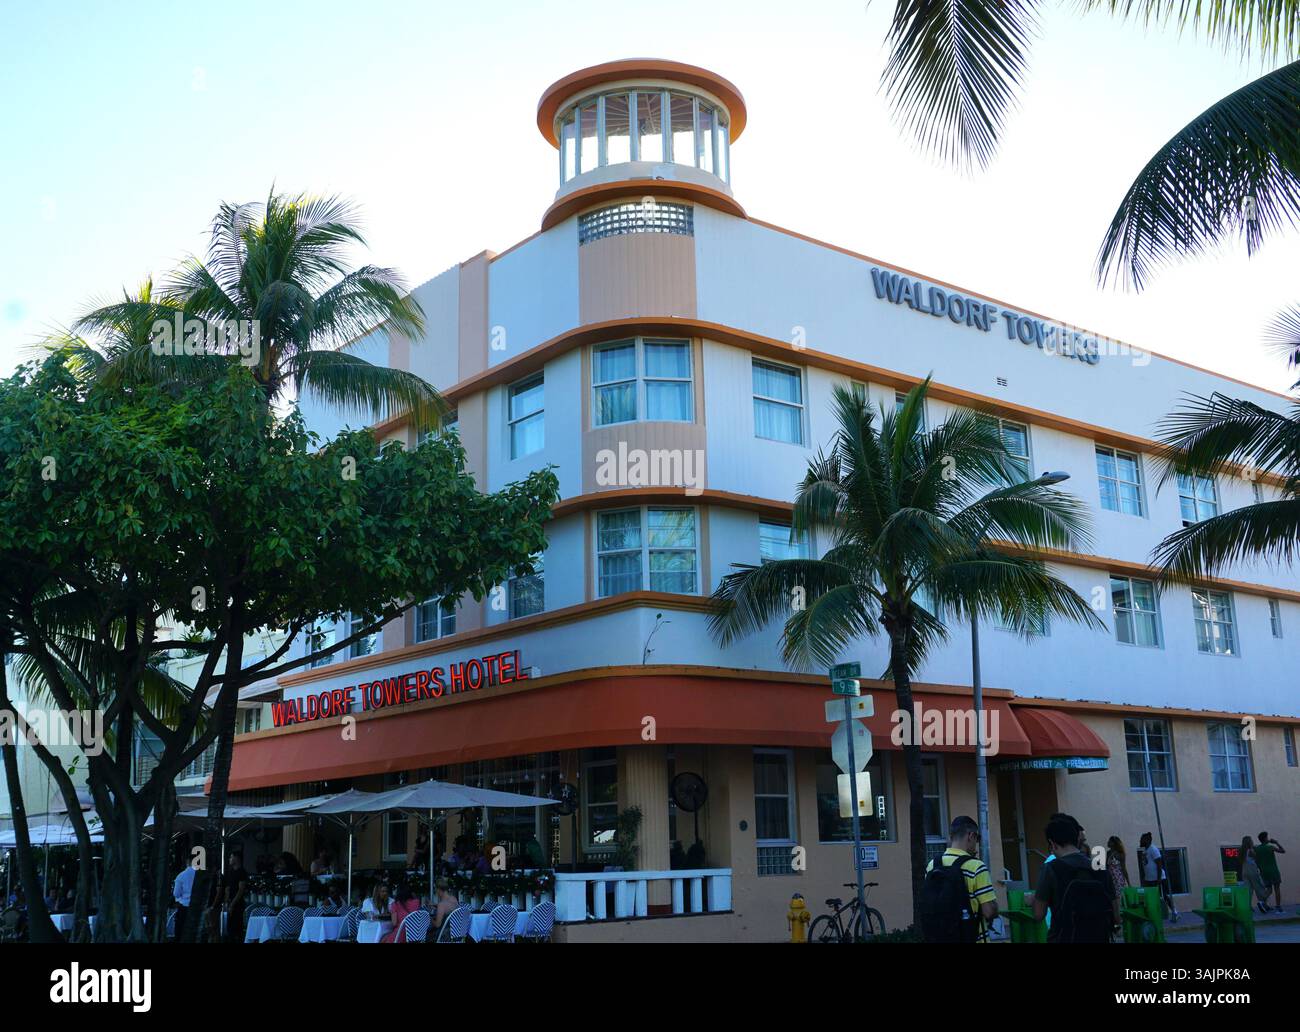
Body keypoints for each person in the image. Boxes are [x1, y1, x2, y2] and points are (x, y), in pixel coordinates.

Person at [1032, 814, 1117, 942]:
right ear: (1076, 839)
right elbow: (1116, 916)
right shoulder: (1100, 869)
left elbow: (1039, 915)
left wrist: (1032, 901)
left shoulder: (1051, 869)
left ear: (1052, 843)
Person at [919, 816, 998, 943]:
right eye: (977, 839)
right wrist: (995, 906)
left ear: (951, 836)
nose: (976, 844)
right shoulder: (976, 867)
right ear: (970, 836)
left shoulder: (933, 865)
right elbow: (989, 911)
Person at [1138, 832, 1178, 921]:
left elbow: (1159, 864)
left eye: (1142, 839)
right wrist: (1144, 878)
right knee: (1147, 896)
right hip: (1148, 879)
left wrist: (1159, 879)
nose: (1140, 841)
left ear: (1147, 840)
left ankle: (1174, 912)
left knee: (1164, 896)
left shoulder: (1153, 849)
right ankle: (1151, 914)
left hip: (1157, 878)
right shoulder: (1145, 851)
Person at [221, 852, 250, 943]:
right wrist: (226, 903)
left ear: (236, 858)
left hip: (237, 904)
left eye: (231, 857)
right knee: (228, 929)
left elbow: (241, 890)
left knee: (237, 928)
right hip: (229, 903)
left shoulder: (242, 872)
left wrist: (232, 905)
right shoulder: (230, 872)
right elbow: (228, 888)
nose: (229, 859)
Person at [1240, 836, 1271, 914]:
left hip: (1244, 871)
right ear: (1249, 842)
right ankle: (1263, 903)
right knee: (1259, 887)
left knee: (1248, 890)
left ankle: (1248, 907)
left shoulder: (1241, 851)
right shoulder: (1251, 851)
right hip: (1252, 870)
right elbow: (1257, 859)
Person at [1254, 832, 1285, 910]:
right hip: (1273, 871)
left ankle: (1262, 902)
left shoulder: (1257, 849)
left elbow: (1256, 861)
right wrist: (1276, 842)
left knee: (1269, 889)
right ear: (1265, 839)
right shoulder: (1270, 847)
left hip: (1264, 872)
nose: (1268, 839)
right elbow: (1283, 851)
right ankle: (1278, 906)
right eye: (1267, 838)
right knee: (1277, 888)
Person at [172, 861, 196, 941]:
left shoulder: (181, 875)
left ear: (187, 862)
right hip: (196, 906)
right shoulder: (198, 875)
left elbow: (176, 893)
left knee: (180, 930)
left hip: (184, 906)